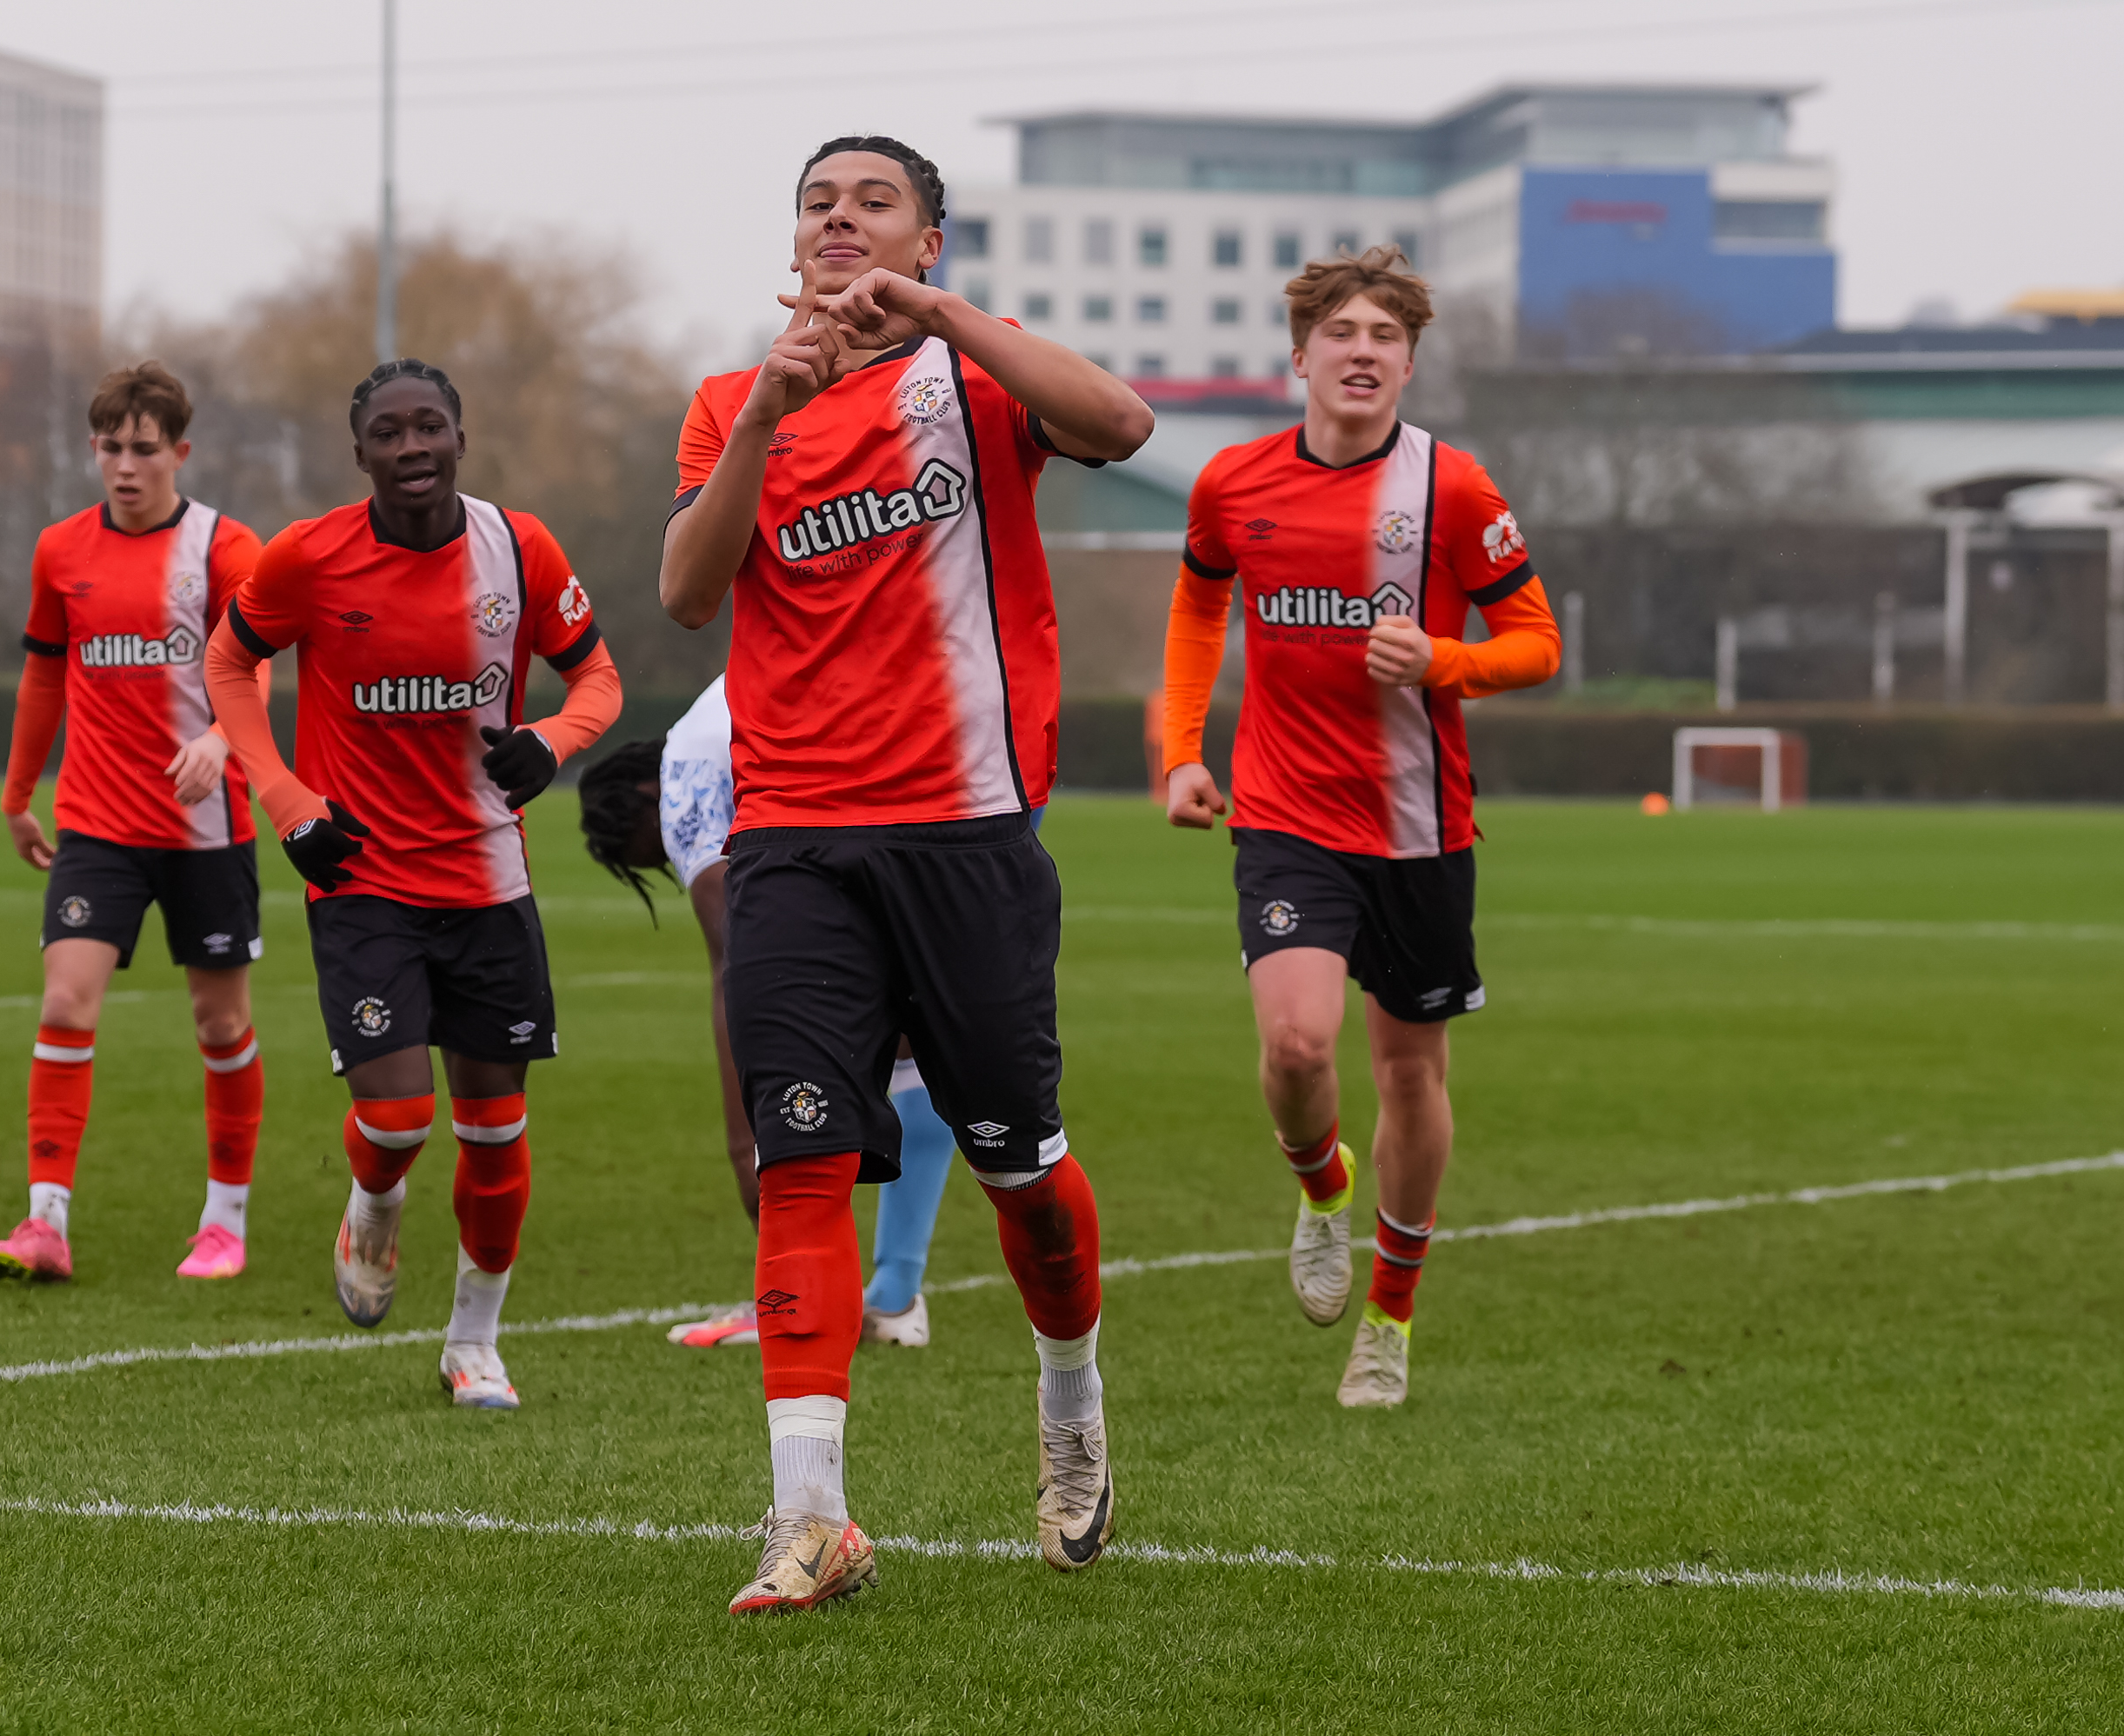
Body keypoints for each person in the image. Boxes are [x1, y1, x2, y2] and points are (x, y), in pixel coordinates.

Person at [659, 134, 1154, 1612]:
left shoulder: (973, 374)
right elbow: (689, 592)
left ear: (927, 240)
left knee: (1021, 1165)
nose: (840, 221)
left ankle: (1072, 1410)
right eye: (818, 203)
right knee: (802, 1152)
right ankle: (809, 1514)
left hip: (965, 834)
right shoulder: (729, 401)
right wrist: (767, 410)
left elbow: (1122, 422)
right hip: (796, 837)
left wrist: (942, 322)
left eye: (875, 203)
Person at [1158, 247, 1560, 1409]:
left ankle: (1390, 1312)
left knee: (1410, 1070)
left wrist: (1448, 659)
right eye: (1344, 333)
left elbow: (1538, 641)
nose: (1364, 352)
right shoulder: (1233, 482)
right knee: (1295, 1045)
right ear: (1302, 356)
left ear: (1409, 364)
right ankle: (1320, 1186)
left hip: (1423, 828)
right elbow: (1197, 602)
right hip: (1286, 813)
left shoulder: (1457, 490)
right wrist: (1183, 752)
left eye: (1387, 337)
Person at [203, 358, 622, 1410]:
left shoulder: (520, 549)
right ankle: (373, 1209)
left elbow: (598, 678)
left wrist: (553, 737)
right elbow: (226, 664)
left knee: (494, 1130)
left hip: (489, 880)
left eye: (429, 426)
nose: (412, 447)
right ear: (362, 455)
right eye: (389, 433)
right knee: (396, 1118)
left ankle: (473, 1341)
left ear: (460, 438)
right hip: (363, 878)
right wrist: (286, 798)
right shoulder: (309, 556)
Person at [0, 361, 269, 1286]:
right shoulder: (60, 550)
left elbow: (257, 669)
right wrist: (19, 792)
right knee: (65, 1001)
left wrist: (225, 738)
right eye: (111, 447)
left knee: (220, 1021)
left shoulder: (228, 551)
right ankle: (45, 1222)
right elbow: (41, 675)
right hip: (98, 823)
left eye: (145, 448)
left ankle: (224, 1221)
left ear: (181, 452)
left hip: (206, 828)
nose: (126, 465)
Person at [576, 682, 962, 1354]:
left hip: (909, 743)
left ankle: (809, 1289)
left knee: (914, 1025)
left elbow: (739, 950)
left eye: (655, 852)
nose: (674, 855)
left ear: (646, 799)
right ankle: (896, 1292)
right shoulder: (712, 728)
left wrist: (746, 1149)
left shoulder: (684, 770)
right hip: (970, 732)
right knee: (923, 1027)